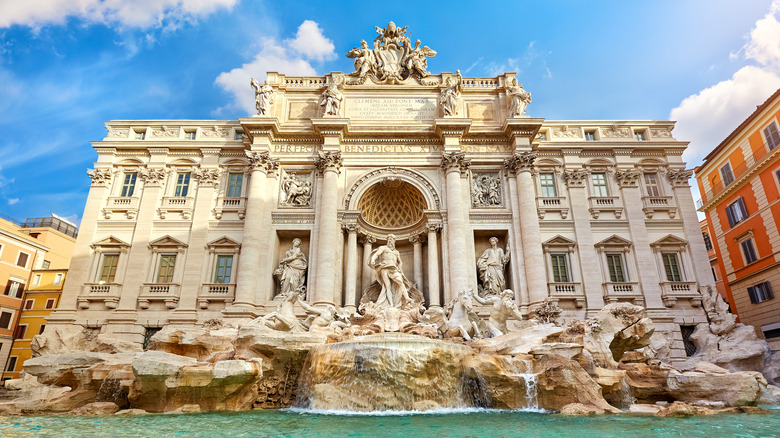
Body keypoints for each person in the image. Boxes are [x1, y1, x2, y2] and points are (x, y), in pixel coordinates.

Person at [370, 234, 412, 308]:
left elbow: (400, 262)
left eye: (391, 240)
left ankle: (407, 298)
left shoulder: (396, 252)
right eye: (389, 240)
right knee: (387, 286)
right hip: (384, 267)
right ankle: (391, 304)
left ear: (394, 242)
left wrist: (399, 268)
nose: (390, 241)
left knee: (400, 282)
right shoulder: (383, 248)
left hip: (394, 268)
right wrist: (373, 259)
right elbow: (377, 254)